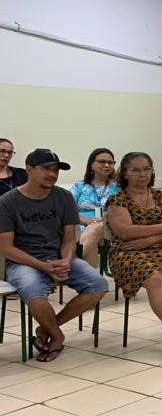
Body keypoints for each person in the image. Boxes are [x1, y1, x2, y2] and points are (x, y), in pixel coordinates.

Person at [0, 149, 108, 362]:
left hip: (58, 257)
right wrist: (42, 266)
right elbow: (5, 247)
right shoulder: (7, 202)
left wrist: (66, 260)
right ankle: (57, 336)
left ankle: (47, 329)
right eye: (46, 169)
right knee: (33, 291)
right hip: (23, 261)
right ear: (29, 169)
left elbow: (69, 238)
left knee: (98, 285)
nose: (52, 174)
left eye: (56, 170)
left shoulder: (63, 196)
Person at [106, 152, 162, 357]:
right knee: (155, 278)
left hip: (160, 247)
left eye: (146, 169)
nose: (142, 174)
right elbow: (125, 231)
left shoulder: (161, 196)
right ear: (125, 173)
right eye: (135, 170)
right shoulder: (117, 199)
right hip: (127, 251)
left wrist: (149, 239)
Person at [70, 147, 118, 269]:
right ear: (91, 164)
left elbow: (122, 212)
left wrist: (98, 222)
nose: (107, 165)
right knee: (91, 243)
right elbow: (67, 210)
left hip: (109, 227)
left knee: (95, 229)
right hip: (80, 226)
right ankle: (91, 283)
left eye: (110, 162)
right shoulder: (79, 186)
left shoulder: (118, 188)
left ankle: (68, 264)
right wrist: (86, 221)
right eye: (102, 162)